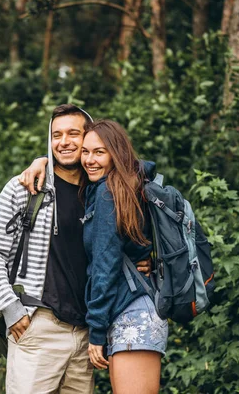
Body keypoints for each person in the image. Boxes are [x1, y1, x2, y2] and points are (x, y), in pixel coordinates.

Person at [0, 105, 150, 394]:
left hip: (85, 335)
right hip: (38, 327)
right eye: (56, 135)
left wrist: (141, 263)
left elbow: (111, 251)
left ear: (90, 138)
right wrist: (12, 310)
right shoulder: (26, 187)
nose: (64, 142)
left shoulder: (101, 190)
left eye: (73, 133)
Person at [80, 119, 168, 394]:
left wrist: (96, 331)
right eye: (86, 151)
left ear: (115, 153)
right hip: (129, 308)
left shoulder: (109, 193)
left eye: (99, 152)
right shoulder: (121, 186)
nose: (90, 160)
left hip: (132, 312)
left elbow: (106, 266)